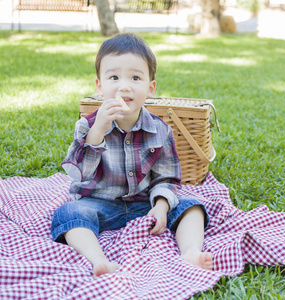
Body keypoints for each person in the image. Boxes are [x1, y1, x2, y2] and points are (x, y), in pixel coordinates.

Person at [51, 33, 213, 278]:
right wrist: (97, 133)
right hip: (98, 203)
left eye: (135, 78)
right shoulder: (87, 126)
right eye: (114, 77)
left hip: (143, 204)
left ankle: (190, 252)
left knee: (192, 206)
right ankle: (99, 261)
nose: (124, 86)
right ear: (100, 86)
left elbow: (167, 177)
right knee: (69, 212)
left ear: (150, 88)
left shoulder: (160, 130)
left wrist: (160, 207)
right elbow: (78, 173)